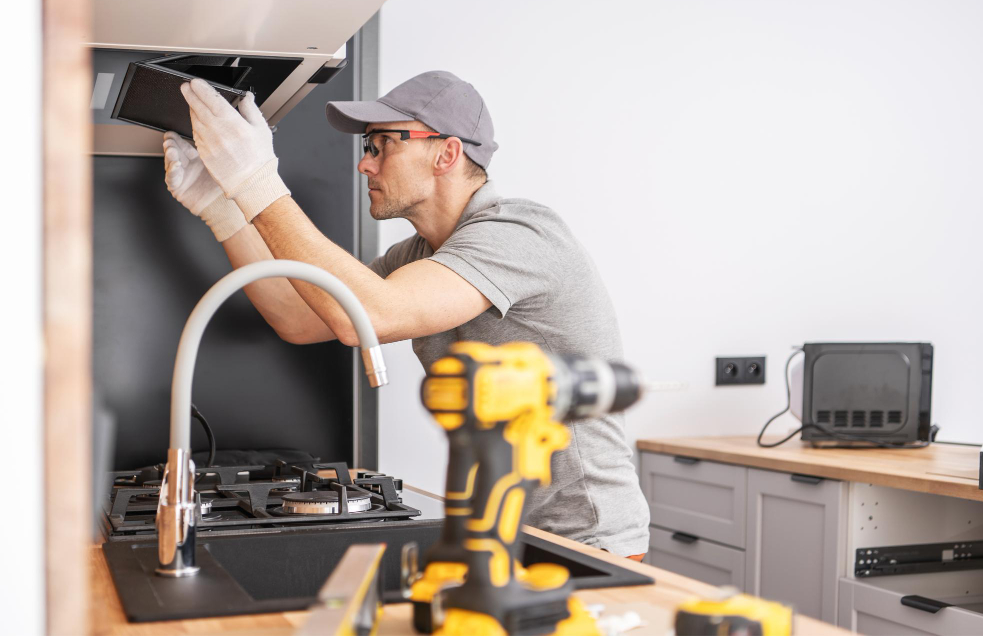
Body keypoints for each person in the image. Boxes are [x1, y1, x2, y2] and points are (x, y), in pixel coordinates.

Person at [164, 70, 650, 560]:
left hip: (586, 538)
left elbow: (370, 315)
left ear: (447, 154)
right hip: (500, 534)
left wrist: (255, 184)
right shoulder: (417, 255)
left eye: (380, 146)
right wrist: (222, 210)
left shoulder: (520, 231)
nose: (363, 164)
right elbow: (300, 316)